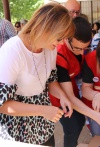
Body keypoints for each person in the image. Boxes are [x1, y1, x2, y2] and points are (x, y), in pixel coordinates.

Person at [0, 2, 74, 146]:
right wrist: (42, 110)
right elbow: (2, 105)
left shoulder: (50, 49)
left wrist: (63, 96)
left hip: (43, 124)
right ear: (46, 29)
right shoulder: (12, 50)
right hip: (16, 126)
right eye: (59, 38)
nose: (61, 44)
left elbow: (50, 80)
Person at [50, 16, 100, 147]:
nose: (81, 52)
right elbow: (68, 97)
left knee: (79, 121)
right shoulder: (59, 56)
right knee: (72, 127)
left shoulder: (80, 49)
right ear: (66, 38)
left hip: (72, 91)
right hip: (59, 98)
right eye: (77, 48)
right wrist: (96, 116)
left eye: (85, 48)